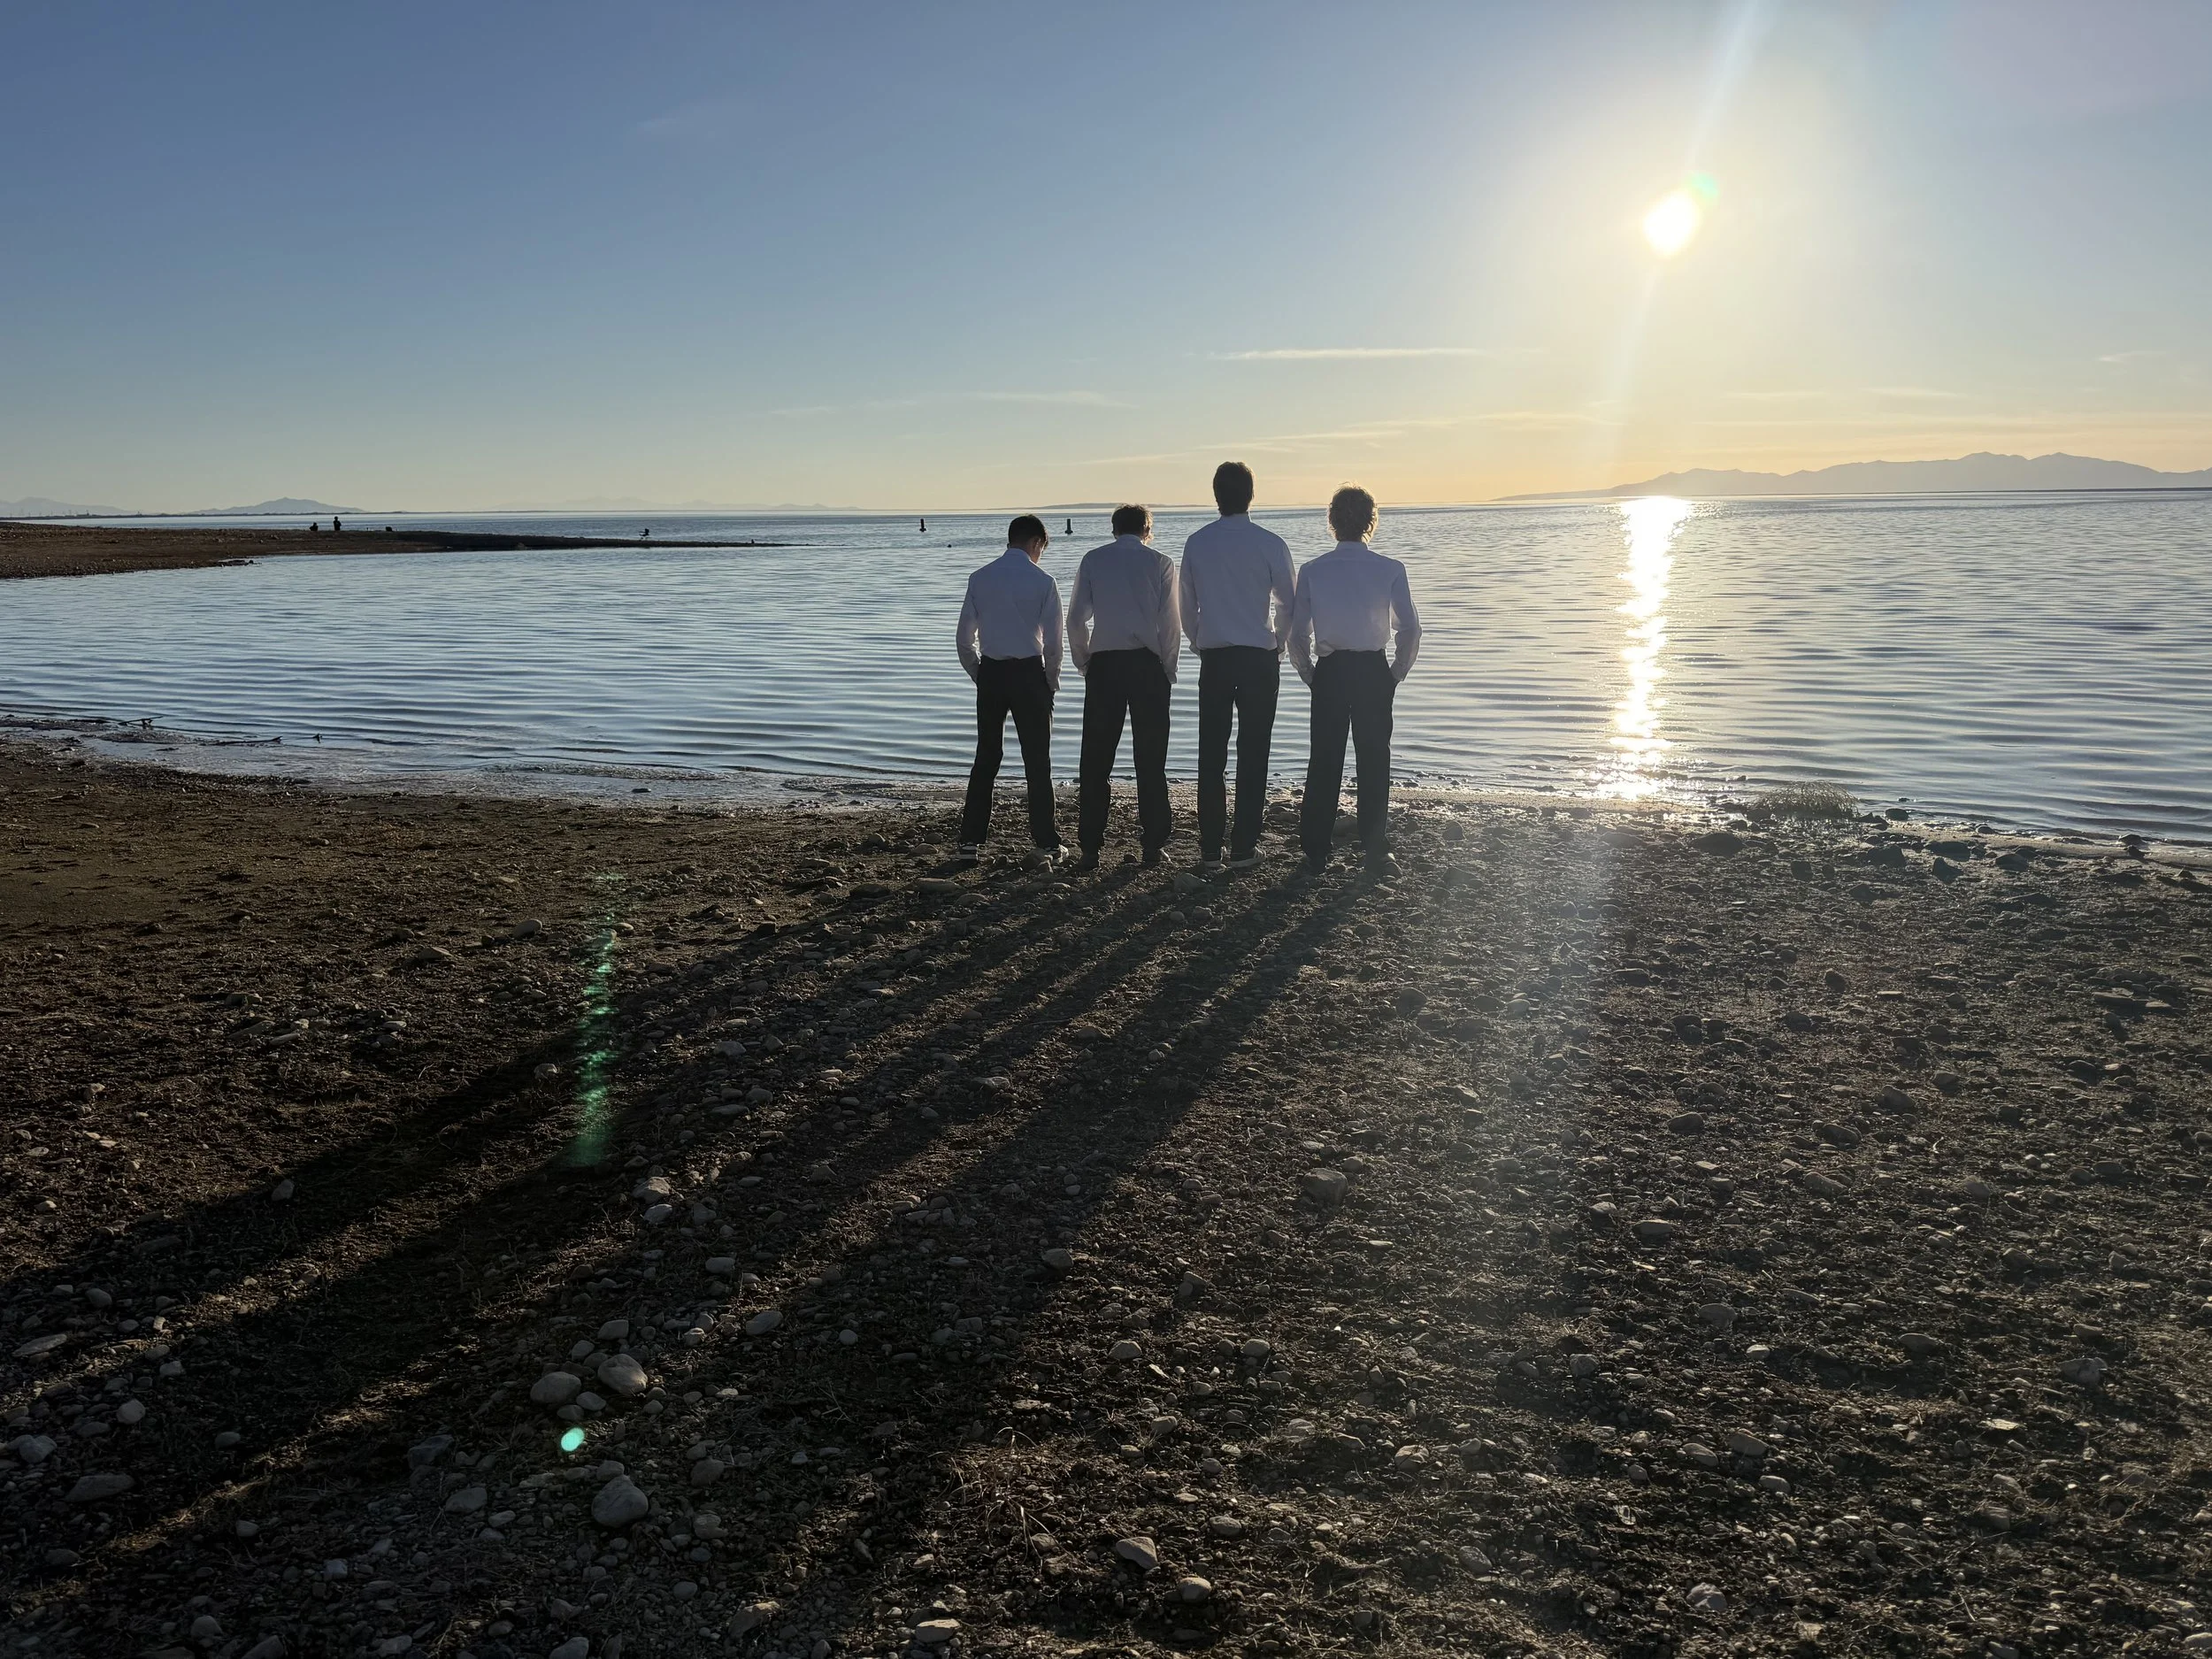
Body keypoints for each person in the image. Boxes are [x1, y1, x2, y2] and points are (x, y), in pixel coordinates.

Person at [1286, 485, 1421, 878]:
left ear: (1332, 522)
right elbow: (1410, 629)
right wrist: (1395, 673)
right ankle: (1375, 850)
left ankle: (1315, 851)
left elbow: (1298, 635)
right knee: (1374, 758)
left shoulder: (1313, 571)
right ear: (1371, 521)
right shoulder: (1390, 568)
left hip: (1331, 671)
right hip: (1372, 670)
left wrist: (1310, 675)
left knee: (1324, 760)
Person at [1179, 460, 1294, 872]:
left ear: (1216, 496)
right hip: (1259, 659)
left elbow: (1186, 607)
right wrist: (1278, 642)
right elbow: (1288, 604)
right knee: (1254, 753)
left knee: (1211, 755)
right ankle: (1244, 847)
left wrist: (1198, 642)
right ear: (1251, 495)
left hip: (1216, 659)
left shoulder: (1197, 542)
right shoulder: (1270, 543)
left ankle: (1210, 850)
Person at [1066, 503, 1179, 872]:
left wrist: (1084, 662)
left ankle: (1090, 848)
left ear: (1114, 528)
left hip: (1105, 665)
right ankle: (1153, 845)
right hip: (1147, 664)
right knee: (1150, 760)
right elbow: (1170, 624)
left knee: (1095, 760)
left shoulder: (1094, 560)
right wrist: (1168, 668)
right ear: (1148, 529)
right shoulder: (1160, 562)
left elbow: (1076, 620)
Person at [956, 514, 1065, 863]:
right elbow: (1053, 644)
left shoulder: (980, 577)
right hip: (1031, 673)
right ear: (1036, 543)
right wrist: (1051, 681)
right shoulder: (1044, 581)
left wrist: (980, 674)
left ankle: (970, 843)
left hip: (991, 671)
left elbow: (963, 639)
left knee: (986, 757)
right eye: (1042, 549)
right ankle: (1046, 842)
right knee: (1037, 761)